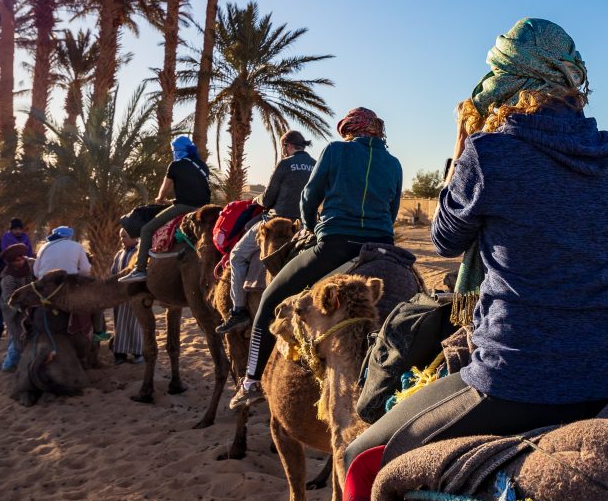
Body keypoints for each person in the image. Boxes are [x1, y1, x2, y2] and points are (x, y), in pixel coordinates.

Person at [336, 17, 608, 501]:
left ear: (505, 83)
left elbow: (447, 239)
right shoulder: (604, 159)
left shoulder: (489, 152)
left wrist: (461, 150)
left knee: (362, 460)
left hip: (519, 373)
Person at [228, 108, 402, 410]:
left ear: (348, 131)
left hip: (335, 245)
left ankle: (251, 382)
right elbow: (393, 208)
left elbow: (309, 196)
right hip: (382, 246)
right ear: (376, 130)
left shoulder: (335, 151)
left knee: (269, 301)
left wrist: (309, 226)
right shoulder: (395, 163)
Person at [216, 130, 317, 335]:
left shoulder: (285, 164)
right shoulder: (316, 164)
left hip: (278, 221)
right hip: (307, 225)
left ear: (286, 146)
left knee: (237, 255)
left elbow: (269, 198)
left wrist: (256, 200)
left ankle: (238, 311)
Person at [120, 136, 211, 283]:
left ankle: (140, 269)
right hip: (204, 207)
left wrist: (160, 199)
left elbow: (164, 189)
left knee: (146, 230)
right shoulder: (202, 165)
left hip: (185, 207)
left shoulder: (175, 165)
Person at [34, 227, 111, 342]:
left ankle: (27, 332)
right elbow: (85, 269)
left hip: (44, 287)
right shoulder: (77, 246)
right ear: (70, 236)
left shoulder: (44, 247)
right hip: (67, 287)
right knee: (97, 302)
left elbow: (35, 271)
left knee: (29, 303)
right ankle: (97, 332)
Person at [110, 229, 145, 363]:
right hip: (119, 296)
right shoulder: (119, 254)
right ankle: (120, 354)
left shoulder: (139, 253)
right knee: (119, 324)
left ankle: (138, 353)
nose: (122, 239)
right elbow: (113, 273)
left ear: (135, 237)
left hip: (134, 293)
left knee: (135, 323)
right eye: (121, 236)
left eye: (124, 236)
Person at [0, 243, 34, 371]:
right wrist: (23, 308)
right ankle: (8, 365)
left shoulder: (29, 265)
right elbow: (9, 299)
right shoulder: (7, 278)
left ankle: (13, 359)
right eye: (16, 261)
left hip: (28, 306)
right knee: (17, 336)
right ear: (11, 263)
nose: (20, 262)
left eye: (21, 259)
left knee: (16, 336)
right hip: (13, 310)